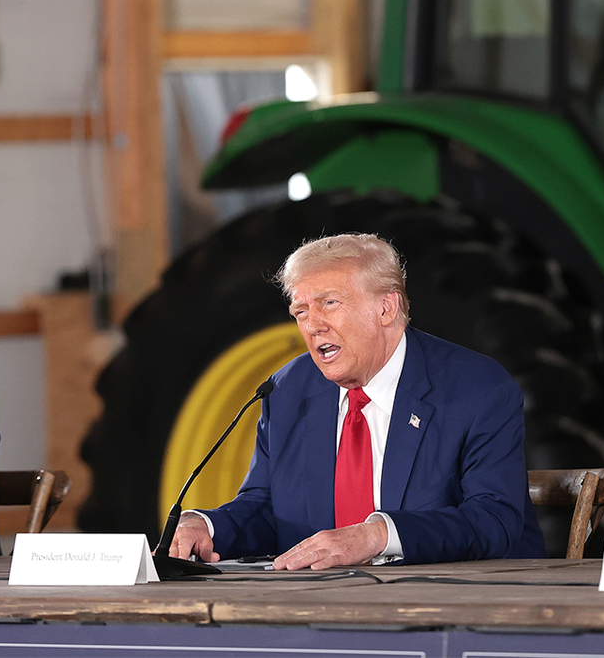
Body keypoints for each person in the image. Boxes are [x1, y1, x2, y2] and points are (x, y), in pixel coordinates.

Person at [170, 233, 546, 569]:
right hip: (326, 616)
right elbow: (269, 511)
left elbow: (493, 522)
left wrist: (379, 535)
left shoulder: (477, 388)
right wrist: (206, 526)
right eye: (301, 312)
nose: (313, 325)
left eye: (330, 303)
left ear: (386, 308)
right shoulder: (286, 391)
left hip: (461, 612)